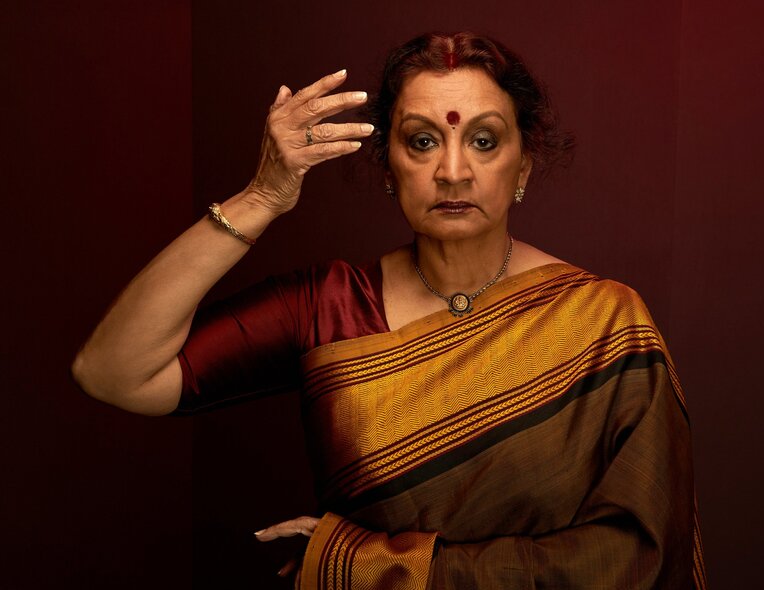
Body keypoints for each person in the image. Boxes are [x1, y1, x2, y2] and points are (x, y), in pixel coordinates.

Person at [73, 32, 707, 589]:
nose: (453, 172)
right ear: (388, 168)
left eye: (483, 141)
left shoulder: (603, 321)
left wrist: (370, 567)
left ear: (524, 167)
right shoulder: (326, 308)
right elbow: (113, 372)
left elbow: (640, 558)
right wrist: (261, 197)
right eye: (422, 141)